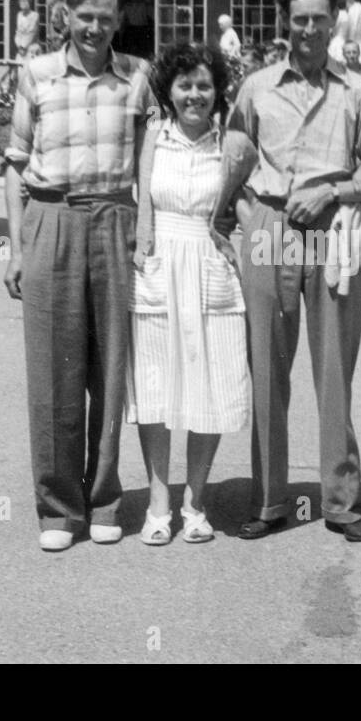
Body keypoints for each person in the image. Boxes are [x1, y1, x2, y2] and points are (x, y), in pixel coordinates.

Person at [228, 0, 361, 542]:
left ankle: (341, 500)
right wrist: (246, 217)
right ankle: (271, 499)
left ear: (335, 21)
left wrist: (337, 191)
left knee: (334, 372)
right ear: (284, 22)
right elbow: (233, 151)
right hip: (270, 228)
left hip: (333, 229)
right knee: (267, 368)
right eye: (299, 19)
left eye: (319, 18)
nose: (308, 29)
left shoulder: (359, 90)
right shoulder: (256, 87)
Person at [3, 0, 156, 552]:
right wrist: (16, 247)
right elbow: (16, 162)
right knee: (53, 371)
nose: (94, 27)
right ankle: (59, 509)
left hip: (115, 219)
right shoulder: (36, 74)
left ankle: (106, 498)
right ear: (64, 15)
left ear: (119, 21)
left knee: (110, 369)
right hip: (51, 218)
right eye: (84, 16)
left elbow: (146, 158)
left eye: (106, 18)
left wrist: (143, 227)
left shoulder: (137, 77)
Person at [131, 43, 254, 545]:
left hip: (210, 267)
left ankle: (195, 502)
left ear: (216, 90)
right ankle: (159, 503)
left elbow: (246, 206)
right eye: (184, 85)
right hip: (160, 265)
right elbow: (140, 200)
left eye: (204, 85)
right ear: (169, 90)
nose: (194, 95)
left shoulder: (233, 143)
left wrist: (249, 253)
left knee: (212, 385)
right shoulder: (153, 137)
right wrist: (140, 243)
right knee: (156, 389)